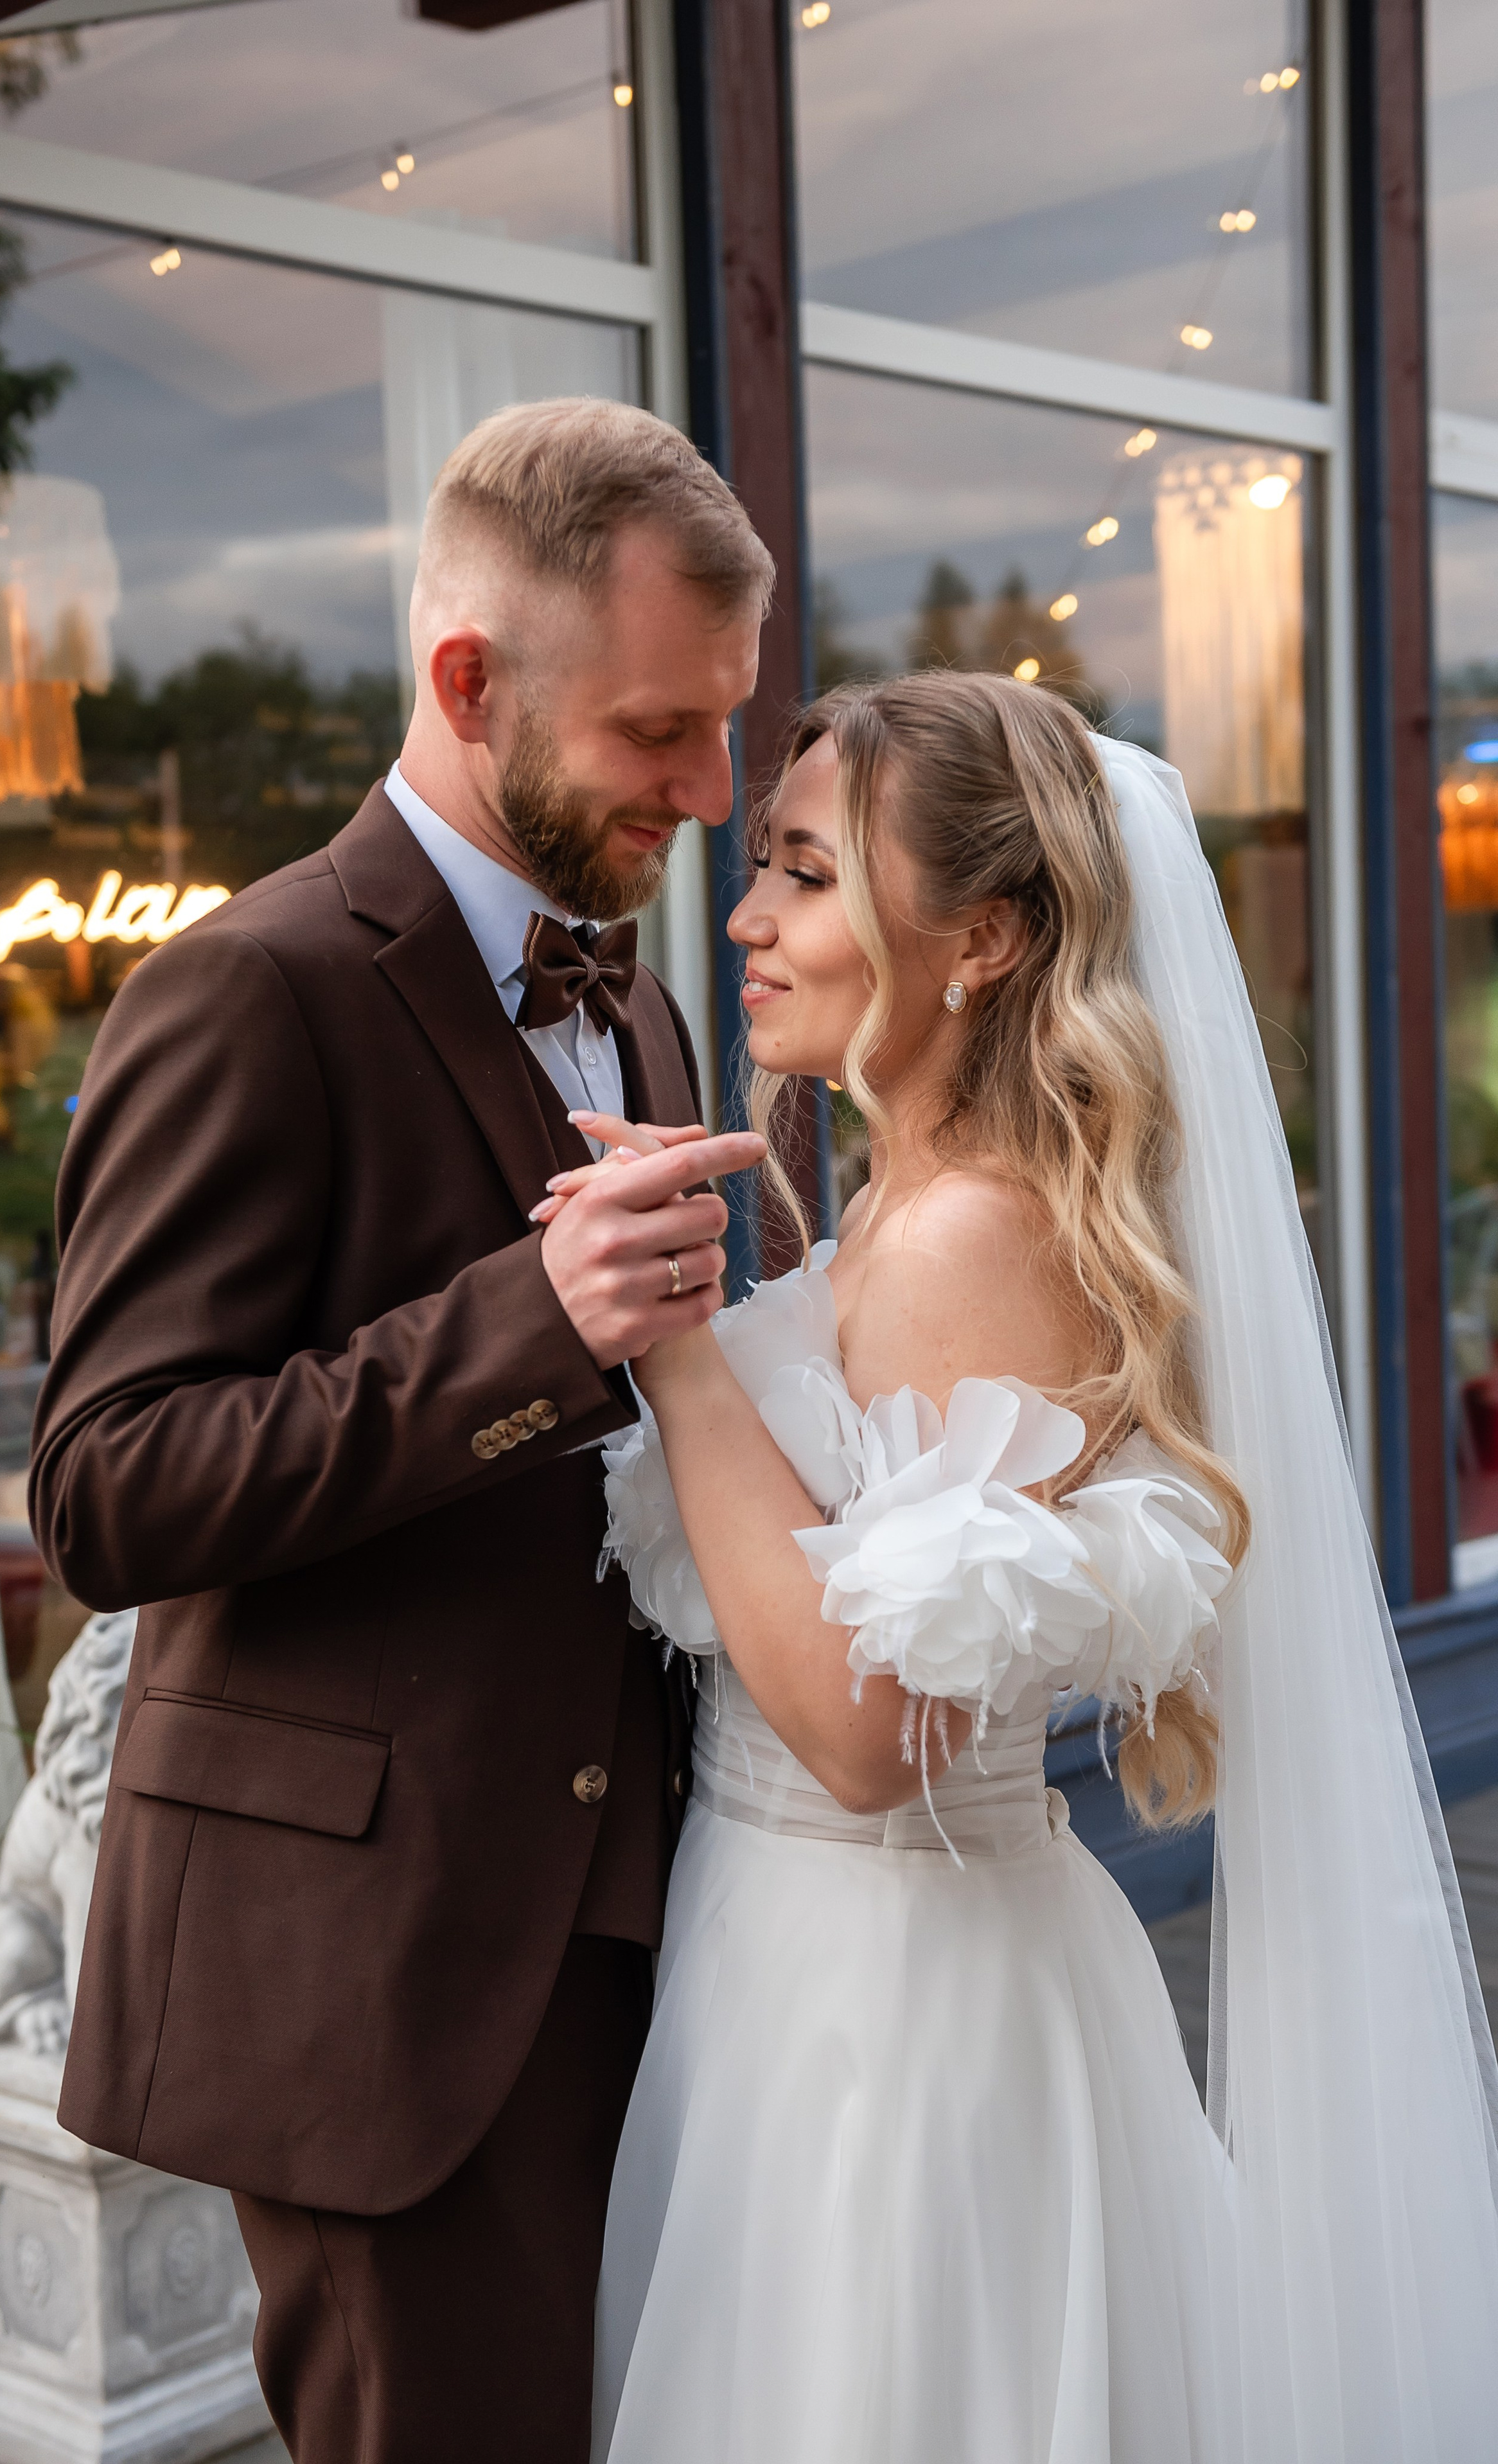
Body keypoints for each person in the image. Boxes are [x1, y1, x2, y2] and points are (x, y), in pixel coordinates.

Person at [543, 671, 1498, 2461]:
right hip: (806, 1960)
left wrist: (673, 1348)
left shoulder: (973, 1233)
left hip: (885, 2016)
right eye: (761, 864)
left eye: (809, 872)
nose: (745, 915)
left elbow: (859, 1725)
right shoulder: (913, 1200)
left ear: (979, 936)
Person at [31, 396, 771, 2462]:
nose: (708, 791)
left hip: (650, 1920)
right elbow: (104, 1484)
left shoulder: (626, 992)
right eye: (657, 733)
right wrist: (520, 1324)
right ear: (469, 682)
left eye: (728, 725)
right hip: (387, 1973)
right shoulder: (247, 990)